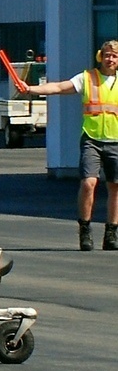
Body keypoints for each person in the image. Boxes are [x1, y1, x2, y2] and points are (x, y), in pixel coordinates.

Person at [21, 40, 118, 250]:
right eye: (107, 55)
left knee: (115, 187)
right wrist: (31, 88)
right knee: (88, 183)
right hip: (92, 139)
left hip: (116, 142)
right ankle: (85, 229)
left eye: (115, 56)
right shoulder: (87, 78)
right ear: (101, 56)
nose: (110, 59)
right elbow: (58, 86)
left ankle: (112, 232)